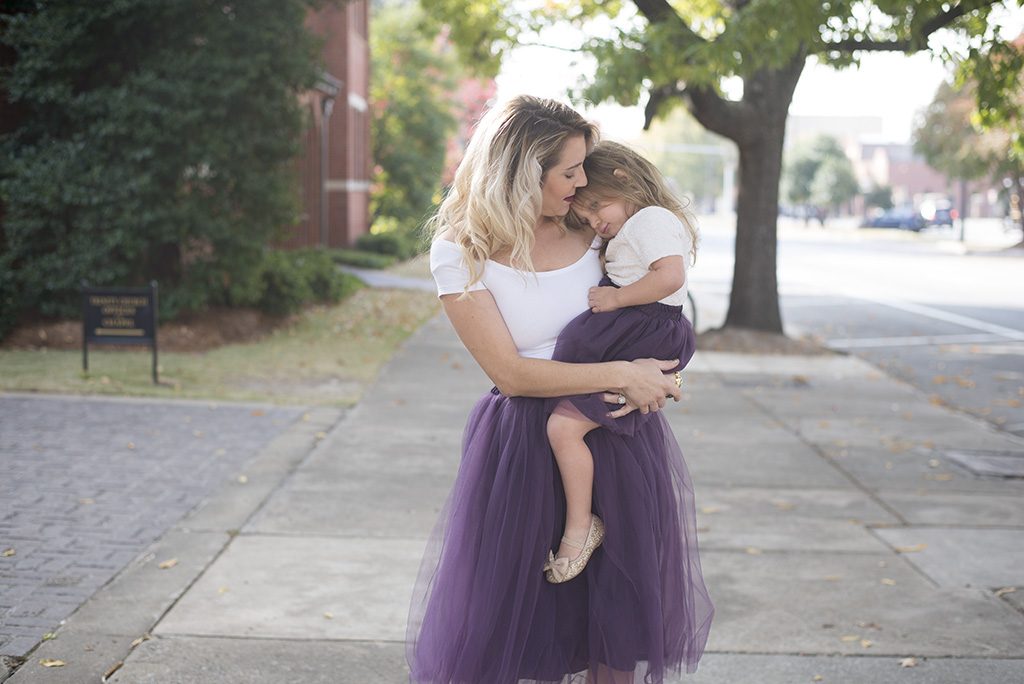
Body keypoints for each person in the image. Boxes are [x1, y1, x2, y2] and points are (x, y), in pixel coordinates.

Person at [405, 95, 714, 684]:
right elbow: (511, 374)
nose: (581, 182)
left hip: (615, 438)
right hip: (523, 447)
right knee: (524, 631)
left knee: (614, 632)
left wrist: (661, 374)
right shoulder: (460, 252)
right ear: (524, 168)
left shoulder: (595, 227)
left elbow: (654, 313)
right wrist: (624, 374)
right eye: (569, 170)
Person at [541, 141, 700, 585]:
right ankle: (579, 523)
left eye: (597, 207)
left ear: (624, 181)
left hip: (641, 327)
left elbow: (670, 277)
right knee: (564, 427)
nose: (595, 222)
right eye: (587, 216)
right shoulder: (632, 225)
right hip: (636, 331)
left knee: (564, 428)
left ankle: (580, 525)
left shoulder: (650, 219)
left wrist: (616, 299)